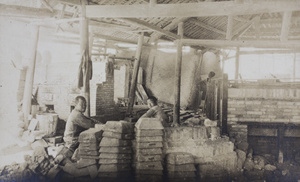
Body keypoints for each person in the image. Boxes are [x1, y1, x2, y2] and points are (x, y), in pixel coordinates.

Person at [55, 96, 96, 163]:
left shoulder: (77, 113)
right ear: (75, 105)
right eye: (81, 104)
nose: (84, 106)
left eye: (85, 105)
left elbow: (89, 120)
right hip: (73, 142)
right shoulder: (76, 115)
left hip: (71, 140)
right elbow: (90, 125)